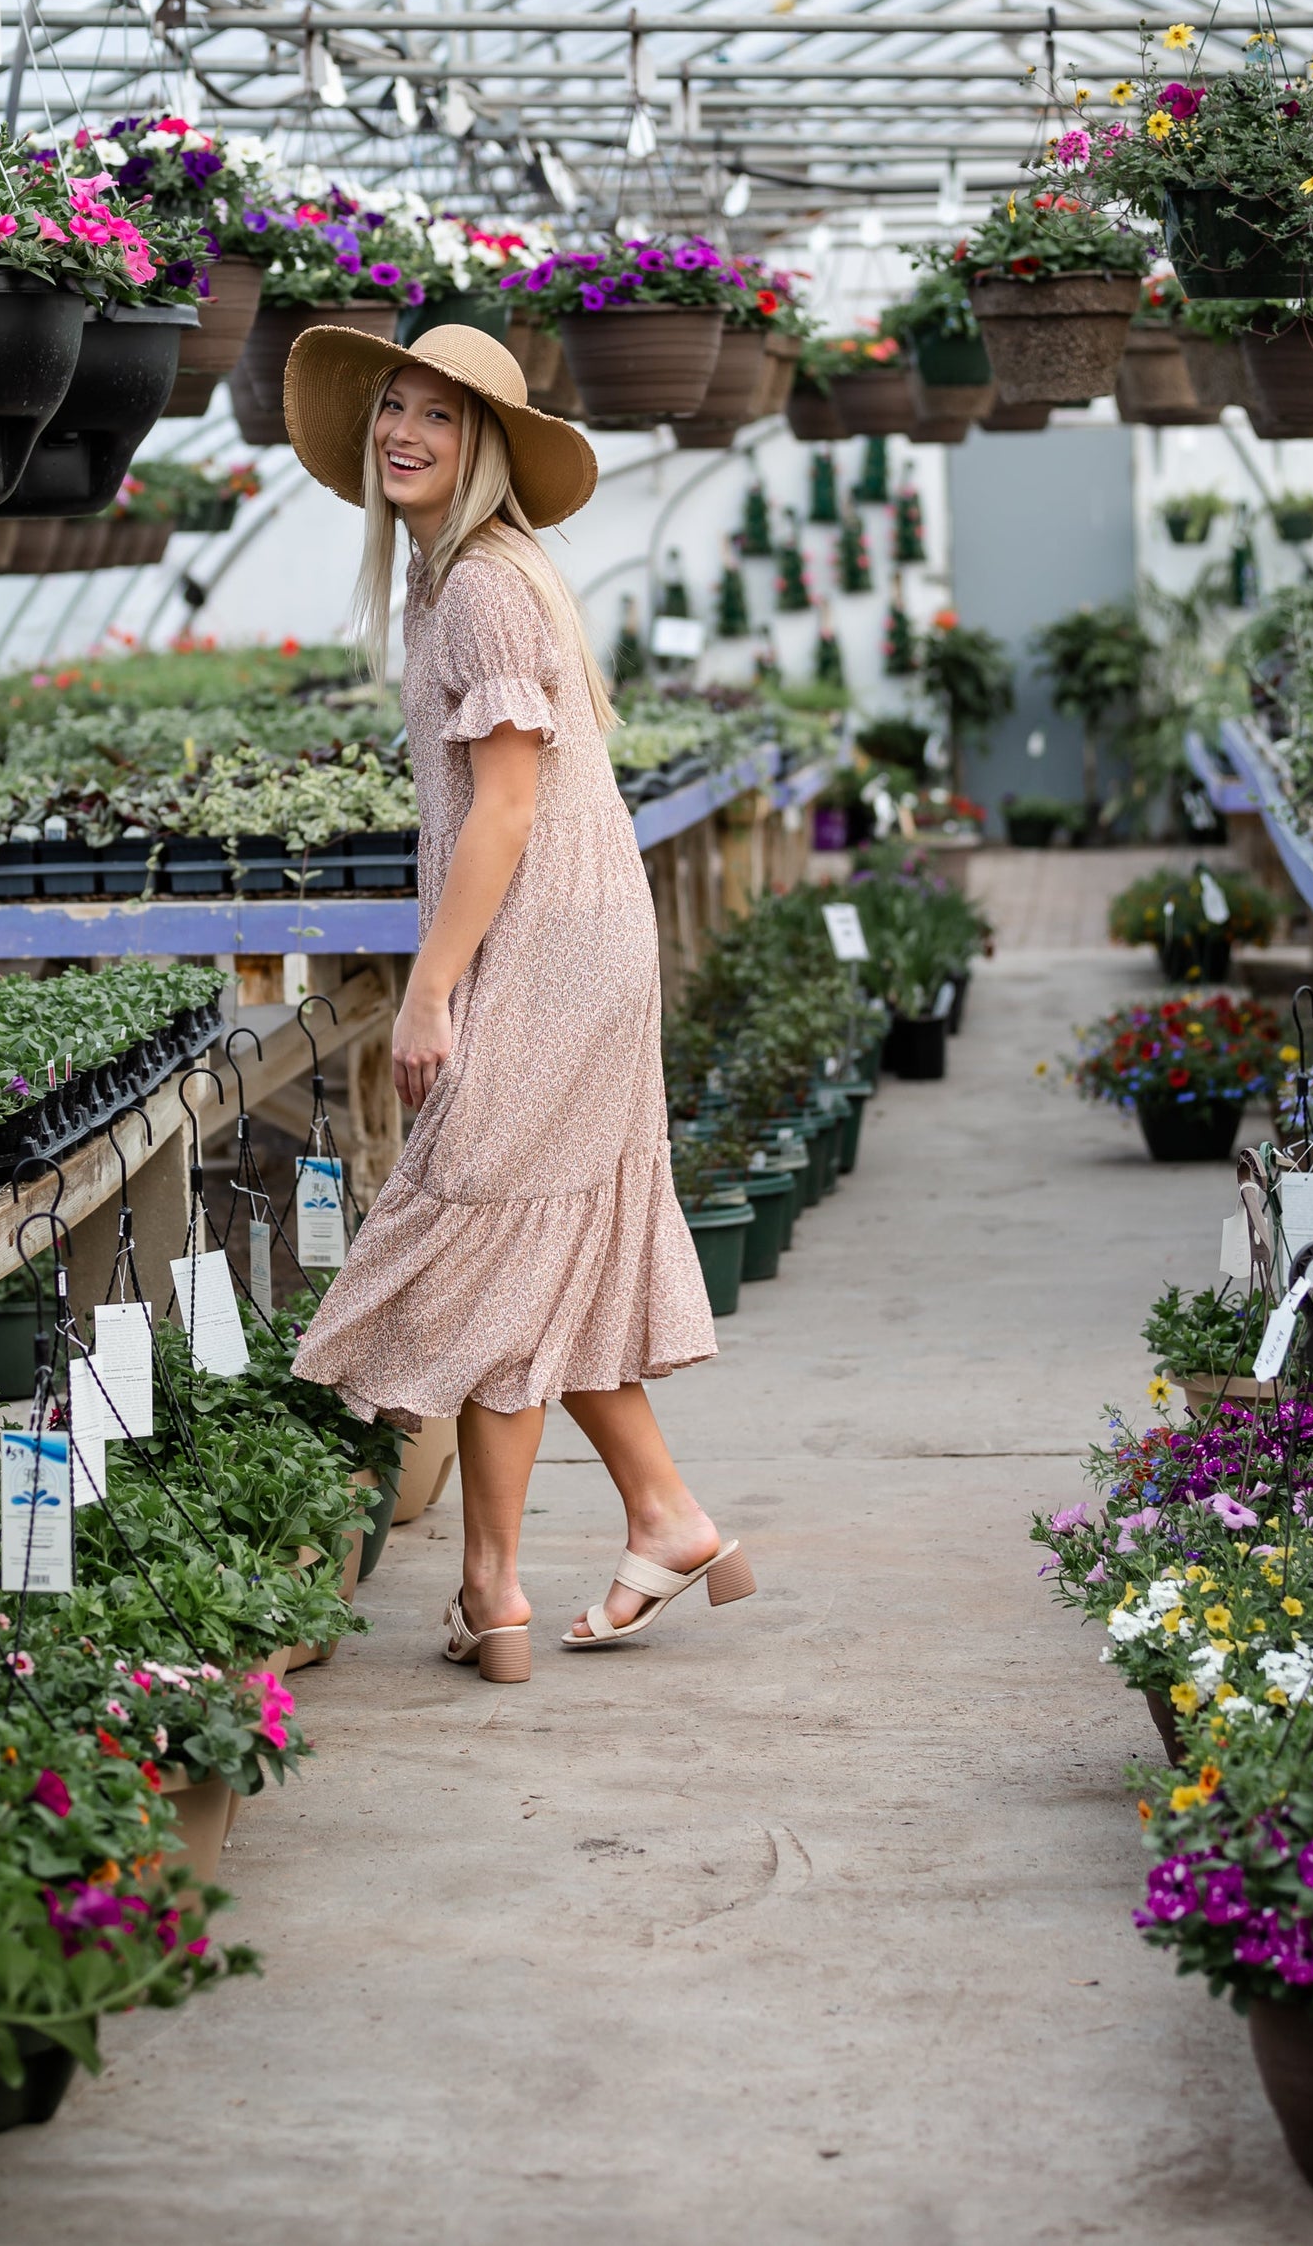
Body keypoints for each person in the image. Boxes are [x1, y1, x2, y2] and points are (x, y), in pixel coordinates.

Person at [280, 321, 754, 1683]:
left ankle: (500, 1586)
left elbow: (503, 807)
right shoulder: (461, 581)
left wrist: (431, 989)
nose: (403, 434)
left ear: (487, 443)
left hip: (546, 955)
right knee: (541, 1254)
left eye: (437, 414)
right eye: (390, 410)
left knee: (478, 1238)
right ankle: (653, 1524)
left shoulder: (482, 585)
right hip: (575, 945)